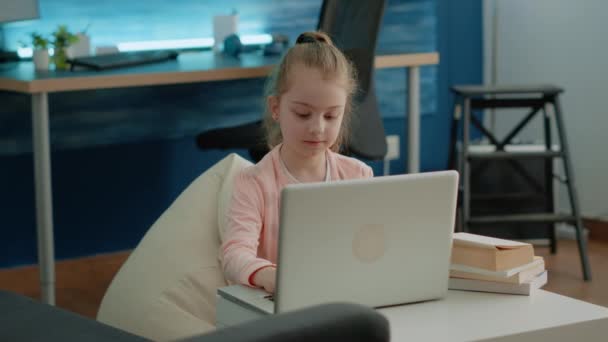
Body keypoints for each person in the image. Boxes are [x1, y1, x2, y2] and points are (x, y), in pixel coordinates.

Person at [220, 31, 373, 293]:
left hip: (342, 296)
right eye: (303, 114)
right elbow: (234, 255)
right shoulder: (254, 183)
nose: (317, 128)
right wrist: (270, 276)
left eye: (331, 116)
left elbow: (368, 246)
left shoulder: (358, 175)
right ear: (276, 108)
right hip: (282, 306)